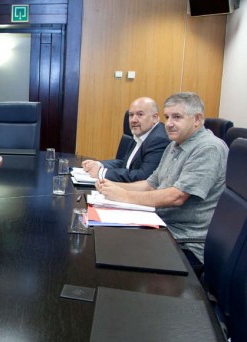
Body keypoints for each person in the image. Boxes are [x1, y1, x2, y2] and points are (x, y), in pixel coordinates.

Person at [96, 92, 229, 267]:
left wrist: (124, 196)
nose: (169, 124)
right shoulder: (174, 144)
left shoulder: (209, 148)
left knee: (113, 254)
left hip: (185, 243)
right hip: (161, 226)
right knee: (104, 241)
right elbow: (150, 184)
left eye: (177, 117)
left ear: (197, 119)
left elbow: (177, 196)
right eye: (167, 117)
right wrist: (110, 186)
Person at [82, 97, 169, 182]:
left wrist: (102, 172)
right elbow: (126, 163)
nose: (133, 120)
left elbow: (144, 176)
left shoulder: (159, 139)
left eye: (140, 114)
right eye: (131, 115)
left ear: (154, 117)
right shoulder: (141, 132)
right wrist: (99, 164)